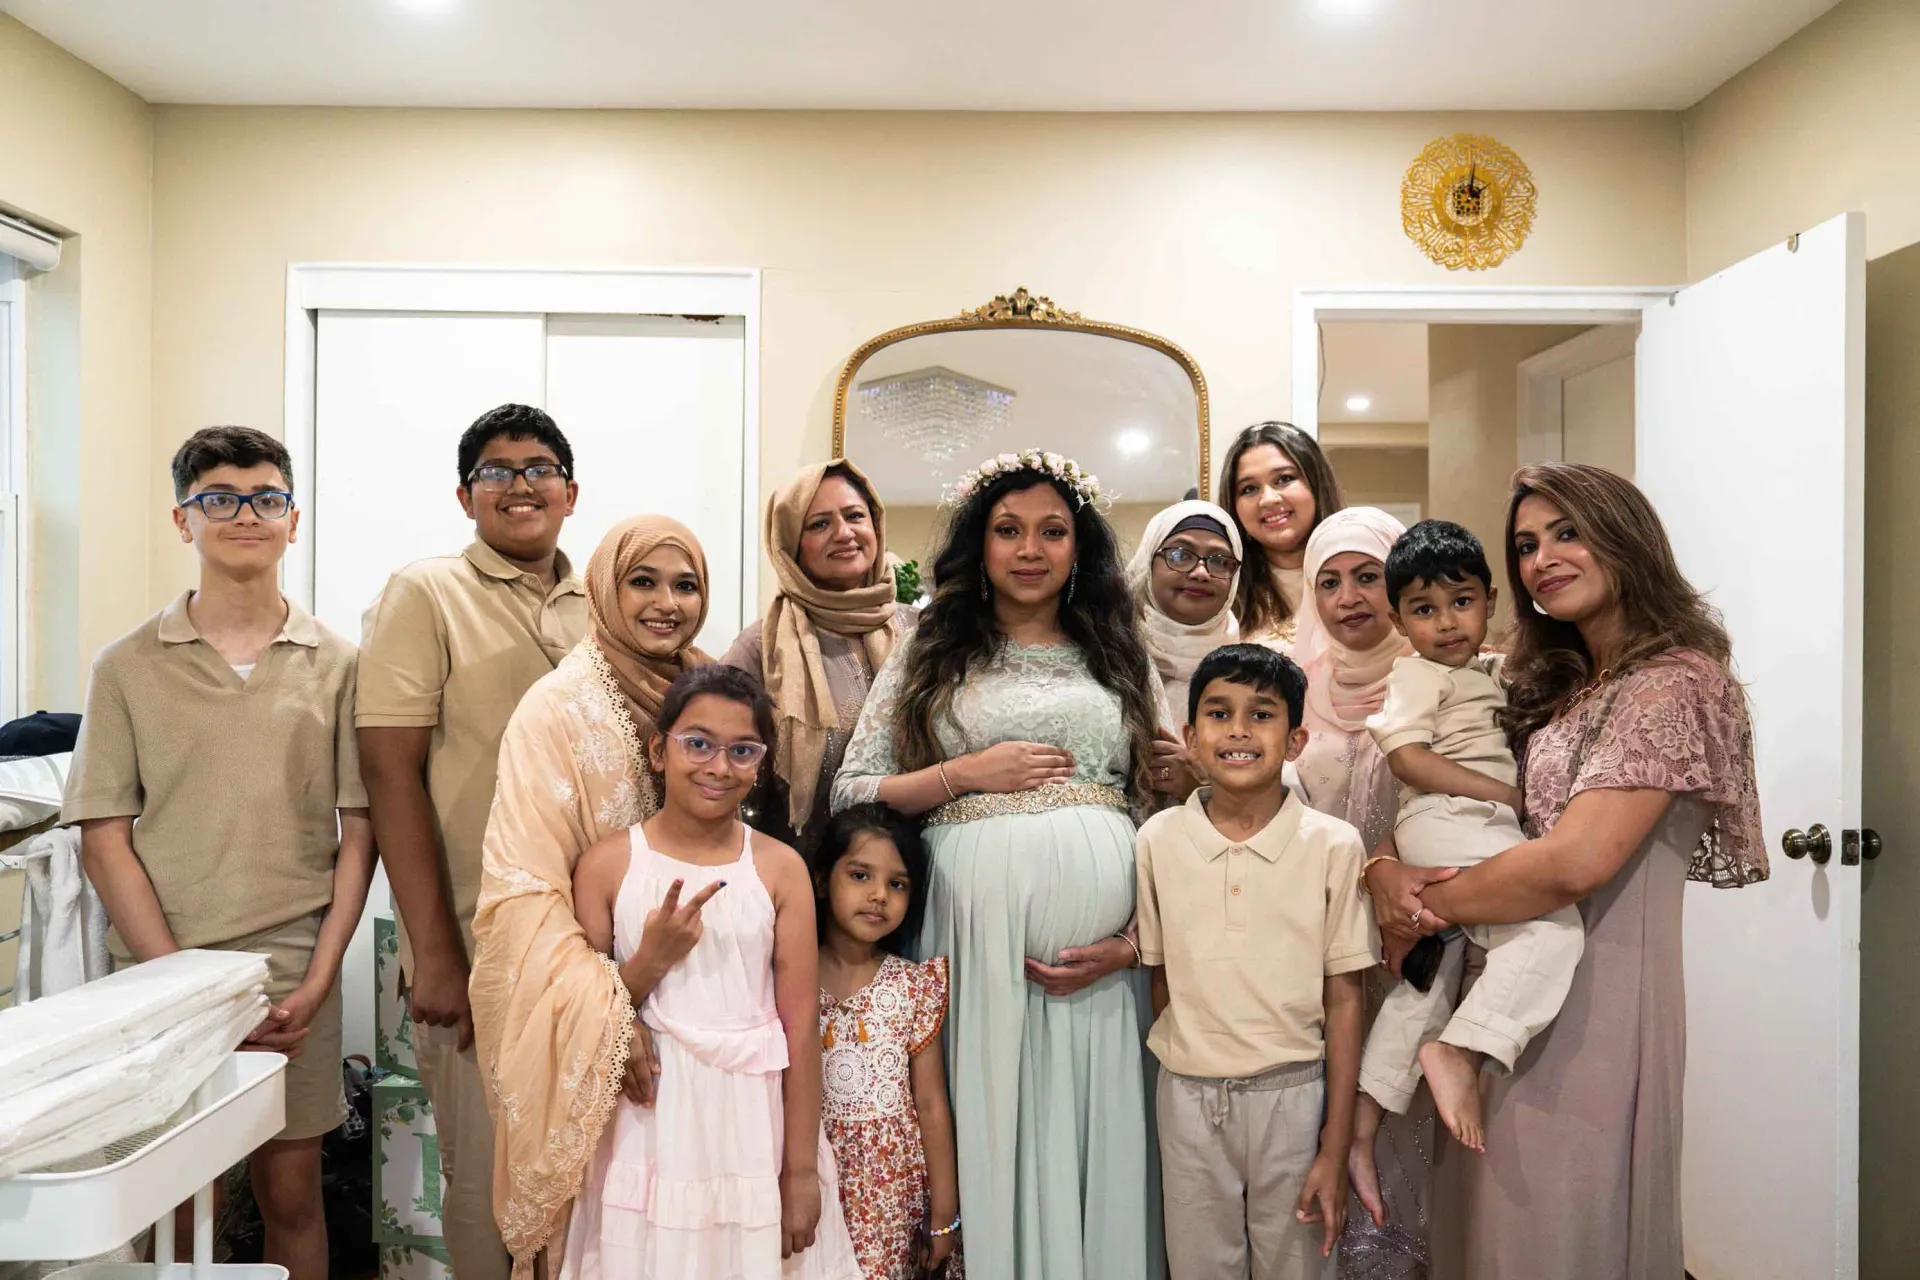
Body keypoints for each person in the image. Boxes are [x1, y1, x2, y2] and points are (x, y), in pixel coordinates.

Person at [1364, 464, 1768, 1280]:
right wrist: (1381, 868)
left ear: (1625, 537)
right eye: (1525, 543)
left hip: (1600, 999)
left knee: (1556, 1223)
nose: (1542, 556)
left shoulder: (1674, 683)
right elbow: (1443, 792)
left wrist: (1422, 898)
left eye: (1567, 532)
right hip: (1506, 983)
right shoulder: (1563, 685)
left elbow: (1575, 861)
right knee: (1490, 1224)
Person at [831, 448, 1167, 1280]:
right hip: (969, 937)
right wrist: (961, 775)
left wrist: (1134, 940)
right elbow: (851, 791)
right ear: (978, 546)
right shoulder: (926, 649)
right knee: (982, 1107)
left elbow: (1162, 803)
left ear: (1078, 548)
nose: (1030, 549)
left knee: (1093, 1128)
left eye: (1052, 531)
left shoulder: (1121, 652)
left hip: (1103, 960)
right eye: (1008, 530)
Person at [63, 426, 374, 1280]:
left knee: (292, 1197)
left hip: (293, 985)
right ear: (183, 518)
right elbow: (104, 839)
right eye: (220, 499)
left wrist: (317, 978)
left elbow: (362, 834)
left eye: (266, 498)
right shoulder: (124, 666)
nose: (246, 514)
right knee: (180, 1209)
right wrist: (183, 986)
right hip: (161, 985)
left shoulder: (340, 663)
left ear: (293, 519)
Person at [357, 403, 586, 1280]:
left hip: (587, 942)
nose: (520, 484)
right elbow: (390, 775)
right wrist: (436, 953)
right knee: (490, 1179)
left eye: (539, 468)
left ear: (571, 490)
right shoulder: (426, 593)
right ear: (465, 496)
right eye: (497, 471)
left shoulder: (604, 596)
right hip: (477, 940)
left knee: (579, 1180)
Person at [468, 515, 712, 1277]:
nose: (665, 602)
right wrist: (614, 1007)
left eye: (685, 583)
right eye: (643, 581)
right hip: (603, 1024)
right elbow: (523, 895)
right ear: (604, 589)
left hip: (709, 1000)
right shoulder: (556, 708)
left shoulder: (708, 691)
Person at [566, 664, 860, 1279]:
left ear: (760, 765)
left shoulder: (779, 871)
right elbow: (581, 1009)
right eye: (697, 743)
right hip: (648, 1122)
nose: (718, 767)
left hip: (751, 1123)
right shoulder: (607, 865)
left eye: (742, 751)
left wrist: (800, 1169)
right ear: (658, 750)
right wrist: (648, 963)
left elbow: (801, 1027)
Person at [1137, 644, 1372, 1278]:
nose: (1238, 730)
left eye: (1261, 714)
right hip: (1187, 1099)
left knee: (1297, 1266)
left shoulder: (1333, 845)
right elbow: (1160, 977)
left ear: (1295, 740)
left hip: (1294, 1098)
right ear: (1190, 736)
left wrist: (1336, 1141)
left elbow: (1346, 997)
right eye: (1219, 712)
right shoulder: (1158, 840)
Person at [1353, 519, 1583, 1165]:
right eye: (1424, 610)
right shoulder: (1418, 676)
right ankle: (1464, 1048)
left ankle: (1363, 1126)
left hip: (1455, 823)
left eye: (1462, 602)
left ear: (1490, 601)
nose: (1447, 623)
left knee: (1430, 977)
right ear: (1399, 620)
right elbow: (1407, 760)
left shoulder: (1483, 673)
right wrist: (1501, 795)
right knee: (1551, 929)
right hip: (1449, 818)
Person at [1285, 507, 1431, 1278]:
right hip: (1313, 944)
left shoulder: (1442, 675)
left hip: (1412, 928)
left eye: (1367, 576)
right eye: (1329, 582)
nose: (1348, 598)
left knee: (1406, 1112)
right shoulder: (1294, 686)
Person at [723, 462, 913, 851]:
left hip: (915, 871)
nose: (844, 533)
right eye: (819, 524)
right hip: (800, 873)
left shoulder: (921, 632)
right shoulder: (761, 647)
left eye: (855, 516)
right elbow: (725, 767)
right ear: (791, 544)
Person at [809, 803, 962, 1280]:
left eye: (897, 884)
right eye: (860, 875)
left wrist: (945, 1213)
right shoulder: (787, 977)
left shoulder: (914, 986)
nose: (879, 896)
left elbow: (931, 1101)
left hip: (891, 1194)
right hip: (810, 1178)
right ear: (820, 880)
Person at [1214, 422, 1344, 652]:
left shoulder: (1368, 574)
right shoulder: (1223, 593)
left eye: (1283, 479)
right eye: (1249, 489)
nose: (1268, 499)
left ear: (1316, 484)